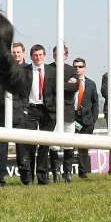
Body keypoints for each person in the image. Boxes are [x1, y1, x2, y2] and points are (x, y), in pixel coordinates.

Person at [15, 44, 58, 185]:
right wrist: (23, 107)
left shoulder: (52, 71)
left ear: (44, 56)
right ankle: (28, 177)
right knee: (30, 144)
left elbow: (57, 92)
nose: (38, 57)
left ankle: (42, 176)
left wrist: (54, 108)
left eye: (40, 55)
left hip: (48, 111)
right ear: (31, 56)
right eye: (35, 55)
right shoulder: (24, 71)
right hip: (30, 110)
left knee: (45, 145)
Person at [0, 42, 27, 187]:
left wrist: (24, 109)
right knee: (1, 148)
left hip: (18, 113)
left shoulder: (21, 71)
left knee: (22, 147)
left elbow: (25, 93)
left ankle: (26, 178)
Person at [49, 45, 79, 183]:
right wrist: (65, 84)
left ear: (66, 55)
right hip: (52, 112)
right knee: (53, 145)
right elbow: (49, 89)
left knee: (68, 144)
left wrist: (60, 85)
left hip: (68, 112)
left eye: (61, 54)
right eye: (56, 54)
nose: (58, 56)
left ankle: (67, 173)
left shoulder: (72, 70)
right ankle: (55, 173)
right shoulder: (48, 68)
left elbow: (75, 87)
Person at [72, 58, 99, 179]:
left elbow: (95, 103)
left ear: (85, 68)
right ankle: (67, 172)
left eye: (80, 66)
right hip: (72, 119)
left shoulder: (91, 84)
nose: (78, 68)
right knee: (69, 146)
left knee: (83, 148)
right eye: (75, 66)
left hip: (87, 121)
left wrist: (93, 120)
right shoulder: (69, 82)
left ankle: (83, 172)